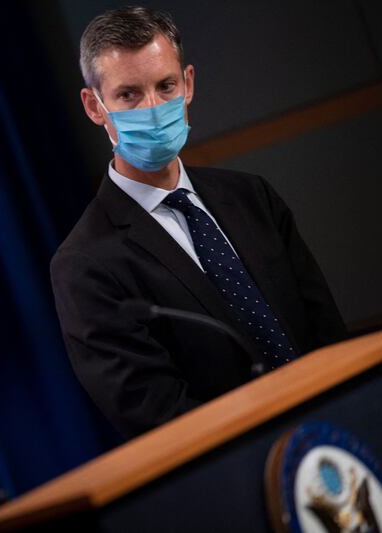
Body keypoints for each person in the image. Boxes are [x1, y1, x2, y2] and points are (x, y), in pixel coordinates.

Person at [50, 6, 345, 440]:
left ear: (188, 84)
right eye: (128, 95)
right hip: (240, 476)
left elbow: (327, 333)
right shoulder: (84, 266)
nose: (152, 108)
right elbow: (156, 415)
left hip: (343, 430)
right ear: (95, 106)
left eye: (165, 86)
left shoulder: (252, 197)